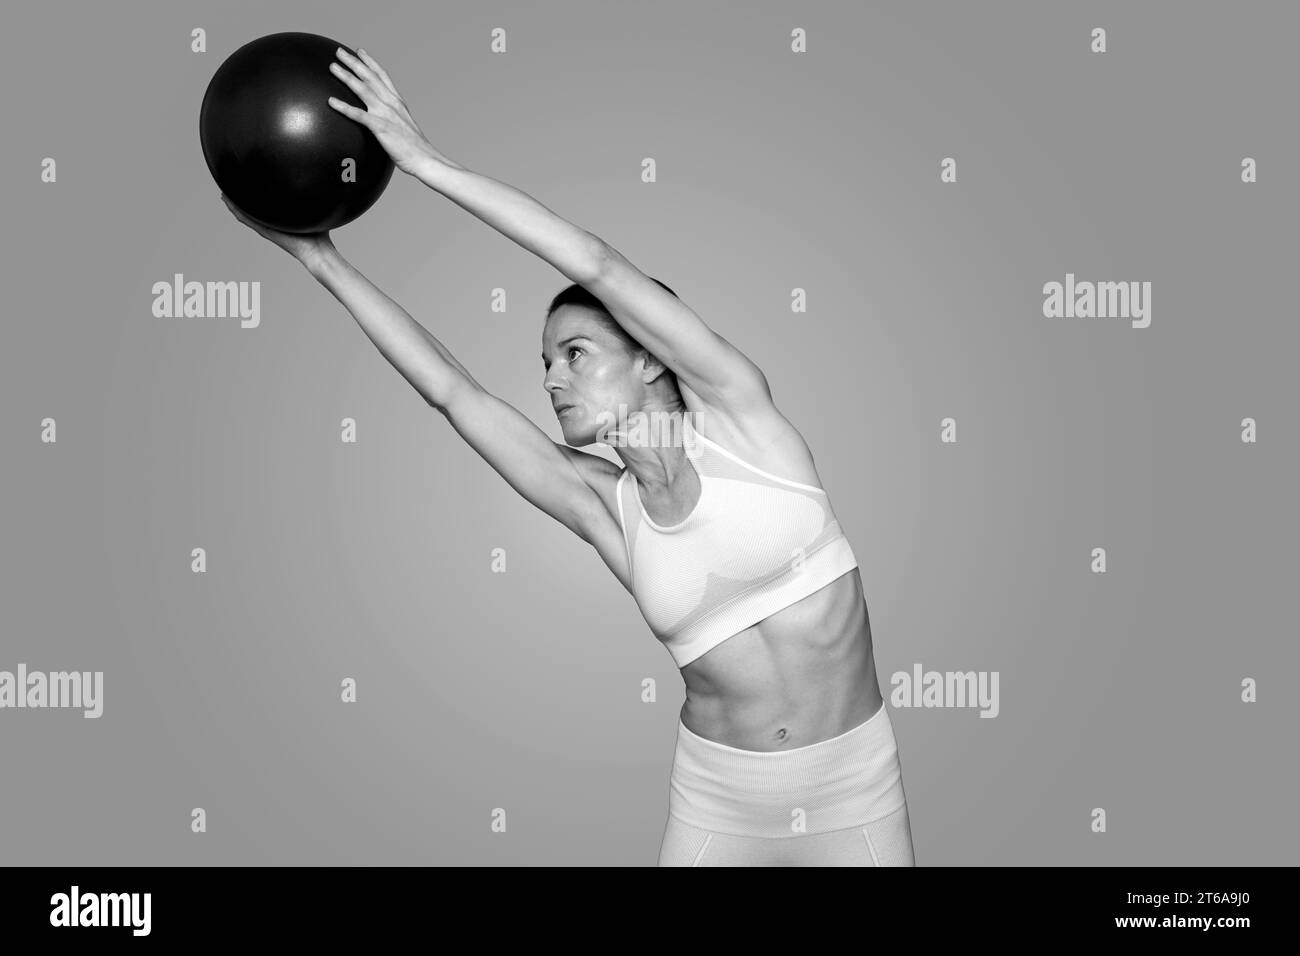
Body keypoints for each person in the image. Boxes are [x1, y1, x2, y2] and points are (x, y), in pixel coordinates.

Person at [221, 46, 915, 866]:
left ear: (650, 354)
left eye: (576, 352)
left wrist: (424, 163)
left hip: (853, 793)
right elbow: (454, 393)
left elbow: (593, 262)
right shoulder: (604, 508)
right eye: (546, 361)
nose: (551, 377)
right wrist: (321, 261)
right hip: (719, 800)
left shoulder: (744, 420)